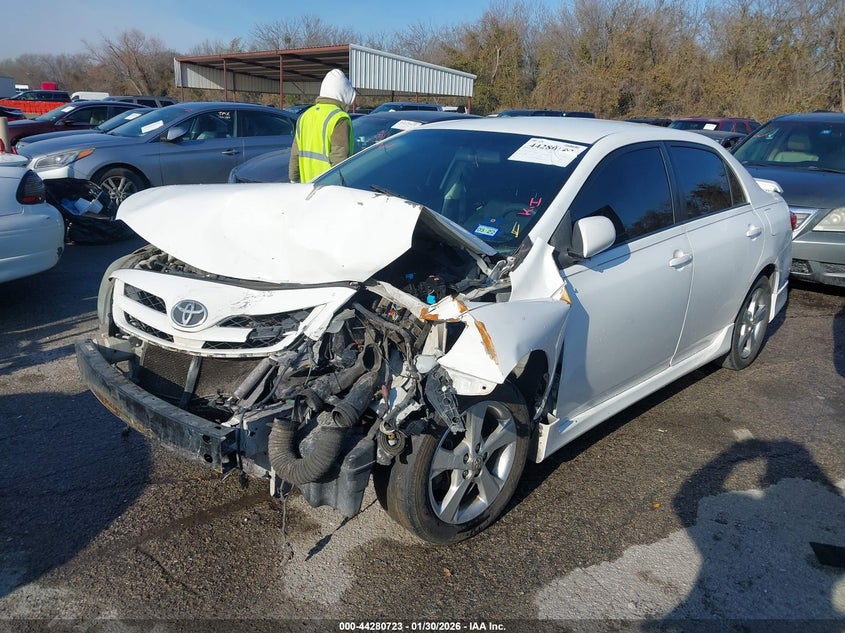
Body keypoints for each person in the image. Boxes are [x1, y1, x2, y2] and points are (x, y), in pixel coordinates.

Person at [289, 69, 356, 183]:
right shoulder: (339, 118)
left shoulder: (305, 116)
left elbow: (295, 154)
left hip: (307, 187)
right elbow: (339, 159)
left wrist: (293, 179)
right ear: (343, 94)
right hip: (330, 189)